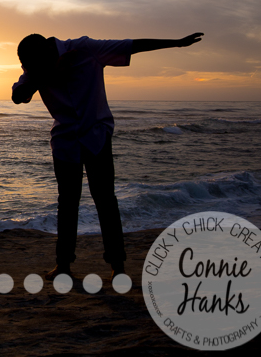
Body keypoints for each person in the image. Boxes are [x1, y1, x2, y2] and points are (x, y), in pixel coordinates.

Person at [12, 32, 203, 281]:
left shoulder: (85, 49)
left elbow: (133, 45)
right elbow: (19, 96)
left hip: (96, 136)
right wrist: (43, 73)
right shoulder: (36, 64)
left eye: (30, 65)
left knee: (105, 201)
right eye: (26, 66)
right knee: (67, 203)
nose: (27, 69)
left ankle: (118, 265)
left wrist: (176, 42)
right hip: (65, 142)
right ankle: (63, 264)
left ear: (48, 50)